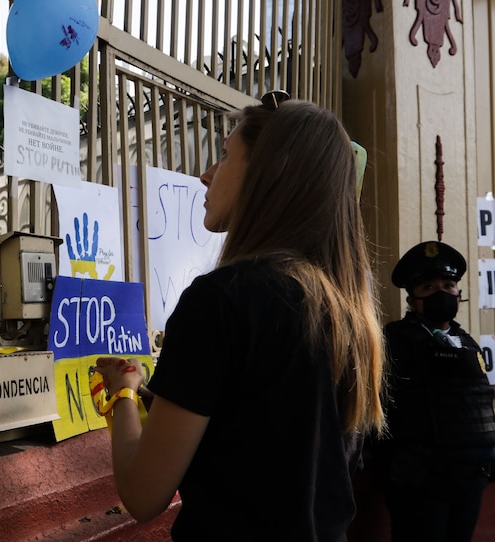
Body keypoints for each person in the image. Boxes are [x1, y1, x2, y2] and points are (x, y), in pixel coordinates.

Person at [94, 93, 386, 540]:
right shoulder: (348, 312)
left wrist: (123, 396)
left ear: (265, 175)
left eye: (226, 155)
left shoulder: (221, 300)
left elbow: (143, 493)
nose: (206, 174)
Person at [372, 240, 495, 542]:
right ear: (412, 299)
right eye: (428, 287)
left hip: (470, 478)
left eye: (448, 284)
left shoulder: (466, 342)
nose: (442, 292)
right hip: (421, 483)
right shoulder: (395, 341)